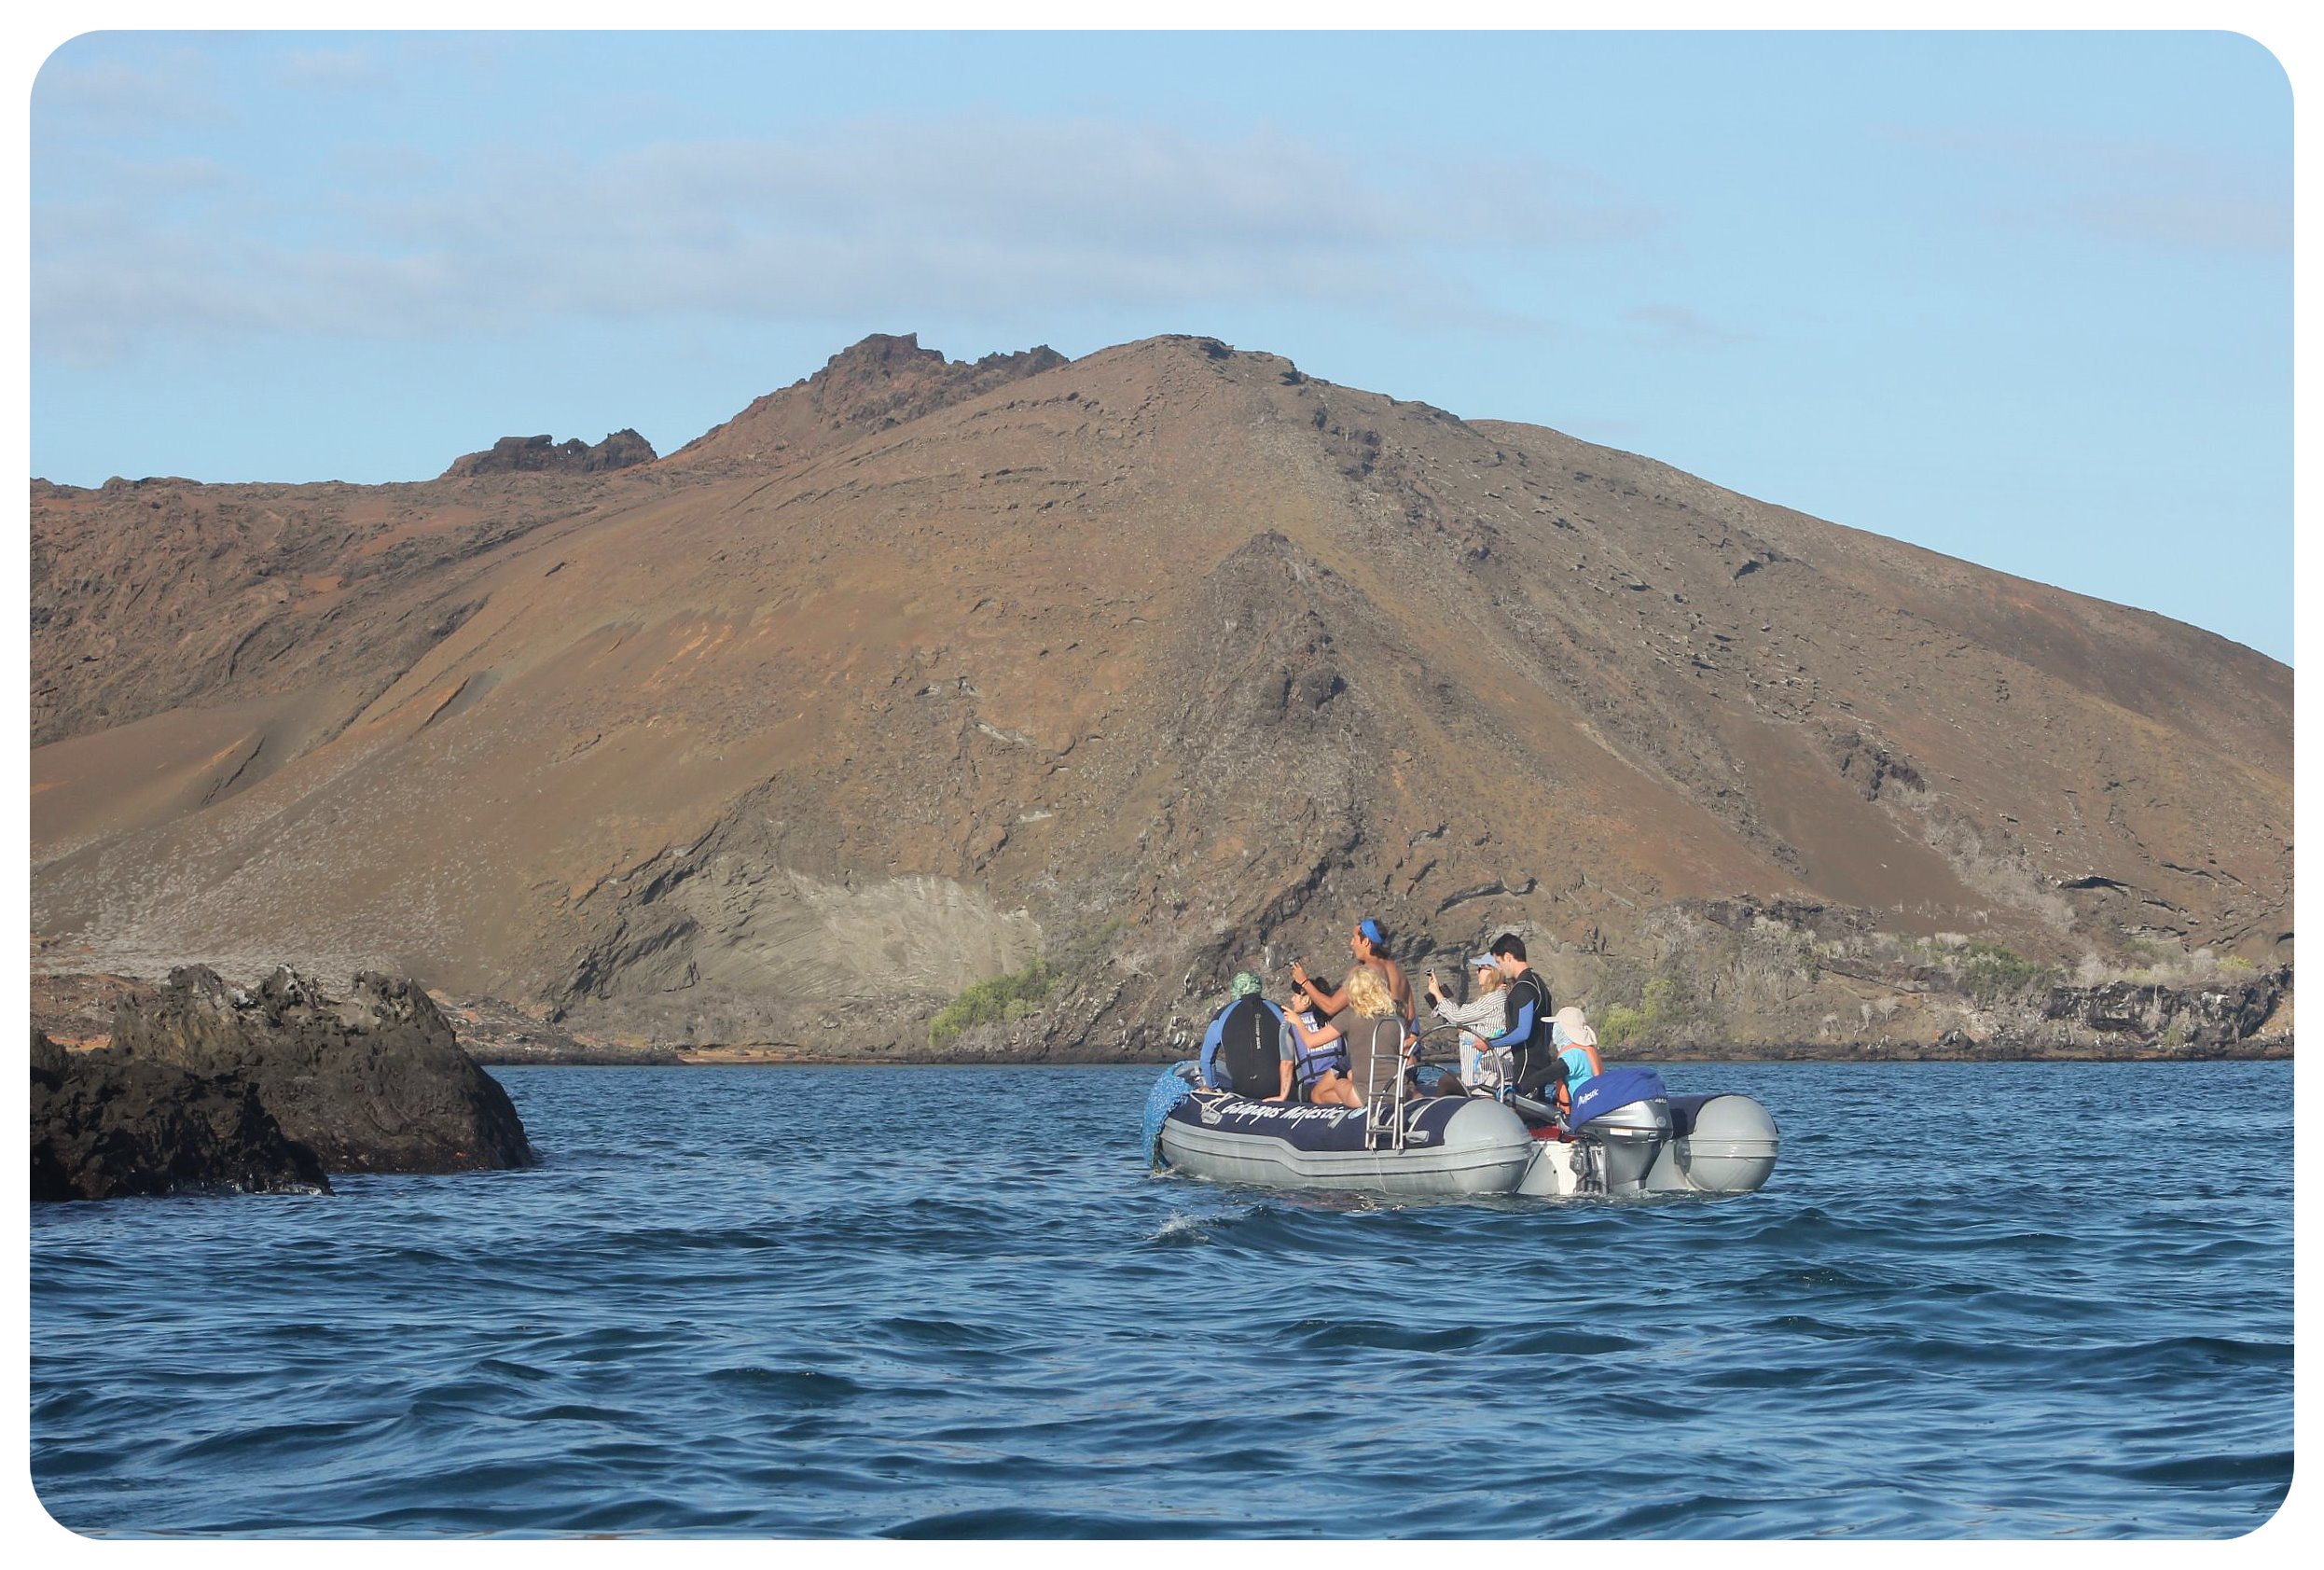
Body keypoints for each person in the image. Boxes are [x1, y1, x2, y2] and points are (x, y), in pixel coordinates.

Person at [1282, 965, 1405, 1108]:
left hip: (1365, 1096)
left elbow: (1310, 1042)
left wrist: (1298, 1021)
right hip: (1398, 1091)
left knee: (1341, 1082)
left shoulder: (1348, 1017)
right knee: (1352, 1074)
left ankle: (1348, 1106)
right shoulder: (1396, 1017)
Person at [1292, 918, 1415, 1039]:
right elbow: (1410, 1015)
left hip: (1371, 1048)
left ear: (1366, 941)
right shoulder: (1399, 971)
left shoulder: (1363, 973)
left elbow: (1330, 1007)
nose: (1351, 943)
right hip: (1396, 1048)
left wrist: (1305, 982)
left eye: (1354, 938)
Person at [1479, 933, 1558, 1097]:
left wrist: (1489, 1043)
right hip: (1541, 1061)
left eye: (1499, 963)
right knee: (1534, 1117)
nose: (1499, 969)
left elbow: (1522, 1032)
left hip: (1527, 1066)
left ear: (1508, 957)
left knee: (1521, 1113)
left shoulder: (1523, 988)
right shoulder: (1539, 984)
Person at [1423, 954, 1512, 1094]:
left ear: (1493, 972)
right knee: (1446, 1081)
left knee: (1445, 1082)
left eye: (1480, 969)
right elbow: (1466, 1019)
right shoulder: (1496, 998)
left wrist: (1437, 993)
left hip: (1486, 1080)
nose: (1477, 973)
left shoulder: (1493, 999)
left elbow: (1457, 1016)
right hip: (1480, 1077)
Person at [1197, 971, 1287, 1098]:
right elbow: (1297, 1049)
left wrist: (1213, 1087)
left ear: (1236, 989)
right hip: (1277, 1090)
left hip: (1242, 1090)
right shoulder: (1279, 1010)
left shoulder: (1222, 1014)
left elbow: (1206, 1059)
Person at [1547, 1005, 1604, 1113]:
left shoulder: (1572, 1054)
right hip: (1593, 1109)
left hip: (1583, 1113)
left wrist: (1520, 1088)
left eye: (1557, 1026)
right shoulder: (1586, 1050)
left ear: (1564, 1030)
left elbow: (1548, 1075)